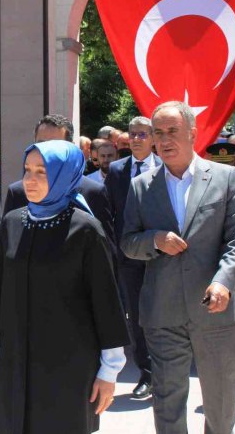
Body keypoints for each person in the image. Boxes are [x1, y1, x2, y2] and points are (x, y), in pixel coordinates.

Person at [0, 140, 129, 433]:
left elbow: (106, 302)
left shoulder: (85, 229)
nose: (29, 181)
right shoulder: (12, 223)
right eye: (27, 170)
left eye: (42, 173)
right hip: (16, 361)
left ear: (64, 175)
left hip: (69, 364)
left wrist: (109, 371)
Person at [121, 101, 235, 433]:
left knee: (221, 404)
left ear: (192, 134)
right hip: (163, 312)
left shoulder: (226, 177)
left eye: (172, 132)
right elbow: (128, 241)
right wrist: (154, 240)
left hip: (218, 311)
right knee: (167, 402)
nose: (165, 140)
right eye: (158, 133)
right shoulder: (141, 186)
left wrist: (224, 281)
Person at [2, 115, 116, 258]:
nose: (47, 151)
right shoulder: (19, 192)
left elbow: (106, 254)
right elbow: (6, 250)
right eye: (42, 144)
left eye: (55, 144)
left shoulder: (92, 193)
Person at [104, 116, 160, 400]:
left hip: (163, 255)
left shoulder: (166, 167)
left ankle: (168, 372)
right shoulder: (116, 170)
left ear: (153, 138)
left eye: (142, 134)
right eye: (133, 134)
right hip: (128, 255)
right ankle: (147, 373)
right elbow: (109, 212)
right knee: (137, 317)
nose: (136, 139)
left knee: (164, 315)